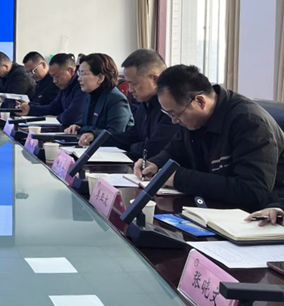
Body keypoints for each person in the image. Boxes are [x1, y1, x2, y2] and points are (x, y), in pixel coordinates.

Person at [136, 65, 284, 211]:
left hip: (258, 215)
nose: (174, 121)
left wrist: (178, 178)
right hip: (211, 206)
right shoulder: (194, 119)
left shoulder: (250, 123)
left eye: (175, 114)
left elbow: (252, 192)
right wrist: (155, 163)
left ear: (200, 101)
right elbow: (176, 150)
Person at [79, 49, 179, 158]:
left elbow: (152, 149)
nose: (130, 90)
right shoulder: (145, 104)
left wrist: (132, 146)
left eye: (134, 84)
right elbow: (130, 137)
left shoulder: (170, 108)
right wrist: (95, 136)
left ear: (154, 80)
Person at [65, 53, 133, 137]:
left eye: (83, 74)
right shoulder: (89, 95)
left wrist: (89, 132)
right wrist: (77, 126)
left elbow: (115, 132)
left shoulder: (116, 99)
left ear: (100, 77)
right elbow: (88, 123)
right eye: (79, 74)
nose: (79, 79)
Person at [16, 54, 86, 127]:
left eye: (57, 76)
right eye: (52, 77)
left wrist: (56, 118)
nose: (54, 81)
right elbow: (53, 108)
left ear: (70, 71)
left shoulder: (81, 87)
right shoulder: (65, 85)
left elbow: (71, 116)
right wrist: (30, 109)